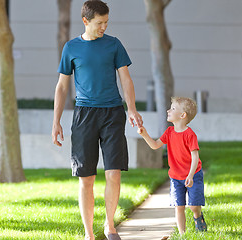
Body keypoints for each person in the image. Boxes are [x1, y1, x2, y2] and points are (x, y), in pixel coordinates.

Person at [51, 1, 142, 239]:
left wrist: (131, 108)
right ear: (86, 21)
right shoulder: (71, 48)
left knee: (114, 173)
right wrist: (56, 121)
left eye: (106, 22)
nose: (104, 27)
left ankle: (109, 225)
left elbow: (126, 79)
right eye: (99, 23)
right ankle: (89, 234)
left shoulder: (114, 45)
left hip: (113, 113)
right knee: (86, 178)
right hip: (84, 115)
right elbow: (62, 87)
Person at [137, 97, 207, 234]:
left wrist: (191, 175)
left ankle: (198, 217)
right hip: (176, 177)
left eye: (173, 108)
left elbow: (195, 156)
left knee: (193, 206)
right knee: (178, 206)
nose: (168, 110)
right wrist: (145, 134)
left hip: (193, 174)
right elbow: (155, 145)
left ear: (182, 115)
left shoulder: (189, 134)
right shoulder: (169, 132)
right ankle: (182, 235)